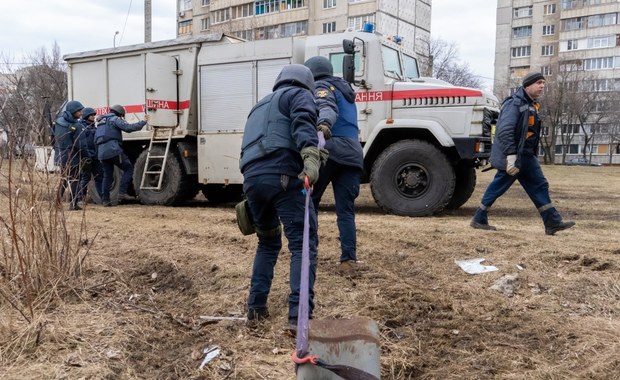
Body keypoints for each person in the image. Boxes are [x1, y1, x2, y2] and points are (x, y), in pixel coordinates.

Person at [240, 64, 320, 330]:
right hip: (283, 175)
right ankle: (298, 317)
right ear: (306, 83)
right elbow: (302, 123)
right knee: (302, 244)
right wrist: (311, 157)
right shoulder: (299, 95)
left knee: (267, 243)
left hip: (252, 181)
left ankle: (256, 308)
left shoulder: (259, 105)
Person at [471, 72, 575, 235]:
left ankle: (552, 222)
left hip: (526, 155)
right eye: (539, 83)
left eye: (543, 83)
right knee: (499, 185)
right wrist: (511, 155)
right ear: (528, 85)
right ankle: (479, 218)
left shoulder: (530, 104)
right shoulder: (515, 103)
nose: (542, 86)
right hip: (515, 155)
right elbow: (505, 131)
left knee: (540, 185)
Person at [304, 56, 364, 276]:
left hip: (330, 150)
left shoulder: (321, 86)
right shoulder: (347, 92)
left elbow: (325, 106)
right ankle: (348, 259)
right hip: (353, 154)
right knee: (345, 211)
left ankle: (308, 255)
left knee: (309, 204)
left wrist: (324, 124)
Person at [95, 104, 148, 207]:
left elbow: (95, 139)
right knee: (128, 168)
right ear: (119, 114)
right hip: (113, 151)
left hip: (101, 152)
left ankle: (105, 200)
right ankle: (121, 194)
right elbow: (128, 128)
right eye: (121, 116)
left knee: (107, 176)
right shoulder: (115, 119)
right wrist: (143, 122)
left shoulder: (100, 122)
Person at [54, 100, 84, 211]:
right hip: (72, 156)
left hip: (60, 156)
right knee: (75, 180)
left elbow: (53, 138)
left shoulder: (58, 121)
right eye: (79, 111)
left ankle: (57, 201)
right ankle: (73, 204)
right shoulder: (76, 125)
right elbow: (80, 144)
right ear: (73, 111)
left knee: (64, 179)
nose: (81, 113)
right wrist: (87, 155)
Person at [76, 107, 103, 205]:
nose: (93, 116)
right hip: (86, 156)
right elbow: (83, 143)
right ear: (87, 115)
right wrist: (86, 155)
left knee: (99, 177)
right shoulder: (81, 127)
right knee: (85, 177)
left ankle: (103, 199)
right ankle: (80, 199)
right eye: (91, 115)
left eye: (94, 115)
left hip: (95, 156)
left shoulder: (93, 126)